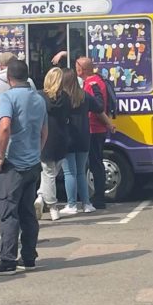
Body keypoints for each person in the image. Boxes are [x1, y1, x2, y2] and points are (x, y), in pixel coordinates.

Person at [0, 58, 47, 277]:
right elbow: (44, 131)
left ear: (9, 78)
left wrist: (0, 155)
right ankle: (28, 256)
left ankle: (7, 259)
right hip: (32, 161)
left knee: (8, 212)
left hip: (13, 163)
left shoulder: (8, 97)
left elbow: (5, 127)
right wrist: (37, 151)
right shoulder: (38, 99)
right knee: (27, 211)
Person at [56, 68, 114, 216]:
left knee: (69, 172)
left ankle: (71, 204)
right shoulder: (85, 96)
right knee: (81, 172)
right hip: (84, 137)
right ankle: (87, 203)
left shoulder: (61, 97)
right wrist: (109, 124)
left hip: (67, 138)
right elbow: (100, 109)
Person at [36, 66, 70, 221]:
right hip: (61, 137)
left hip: (45, 138)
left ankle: (50, 204)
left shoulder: (39, 97)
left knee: (48, 173)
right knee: (52, 172)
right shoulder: (66, 98)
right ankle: (43, 199)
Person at [77, 56, 110, 210]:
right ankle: (98, 196)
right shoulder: (96, 81)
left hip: (94, 128)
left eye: (76, 65)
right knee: (96, 162)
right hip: (97, 128)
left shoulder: (91, 84)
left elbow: (98, 106)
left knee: (95, 163)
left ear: (81, 69)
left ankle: (99, 198)